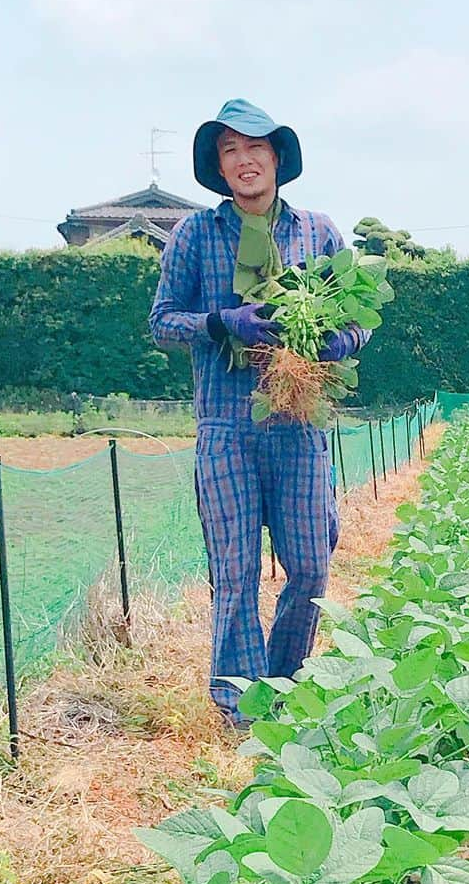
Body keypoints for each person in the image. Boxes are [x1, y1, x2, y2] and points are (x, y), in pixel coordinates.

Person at [149, 98, 369, 727]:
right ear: (219, 168)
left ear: (277, 157)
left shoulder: (317, 232)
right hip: (225, 428)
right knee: (236, 572)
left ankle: (282, 680)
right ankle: (240, 704)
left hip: (297, 426)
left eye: (254, 147)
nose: (244, 160)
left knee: (309, 564)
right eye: (229, 150)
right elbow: (162, 323)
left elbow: (356, 318)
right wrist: (220, 320)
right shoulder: (194, 235)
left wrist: (340, 341)